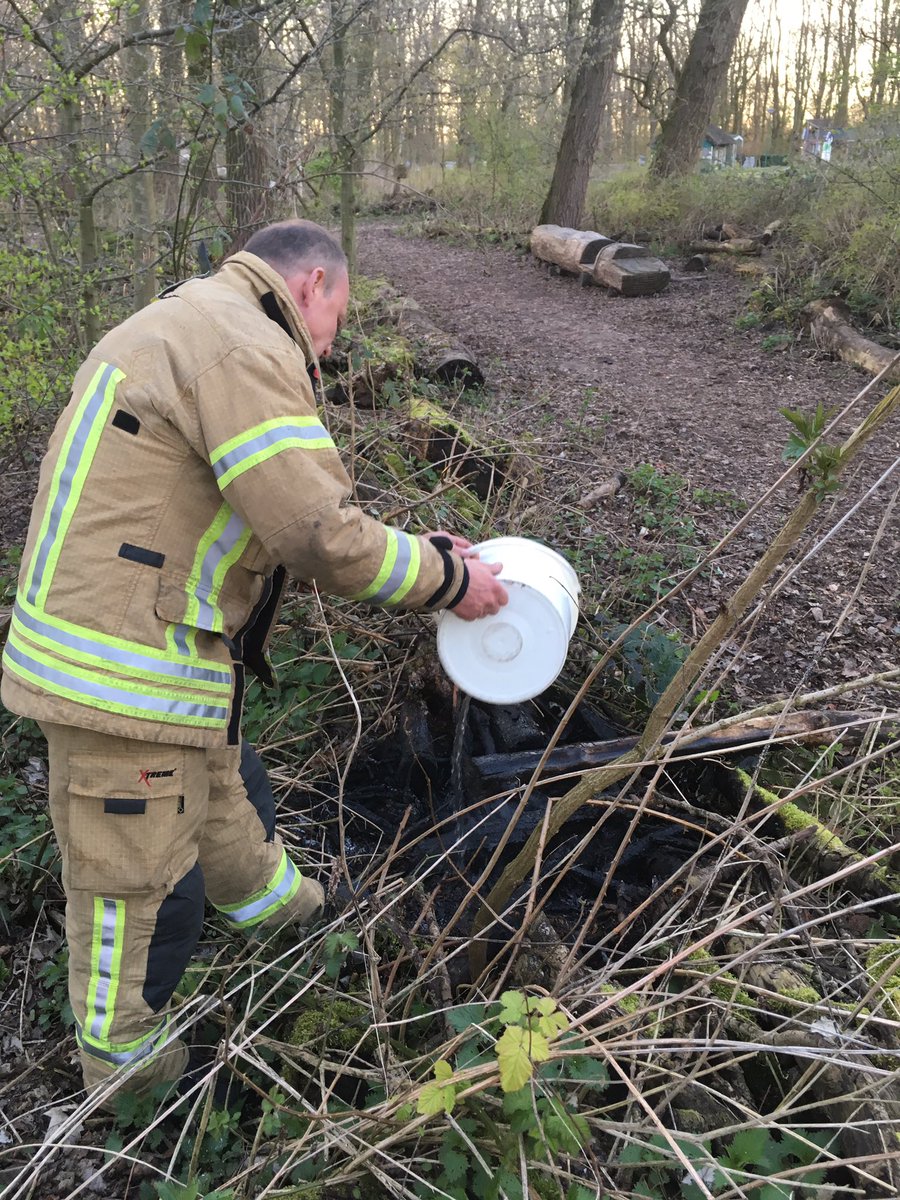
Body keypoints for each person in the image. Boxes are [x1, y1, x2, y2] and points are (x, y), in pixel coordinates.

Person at [0, 219, 508, 1106]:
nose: (329, 345)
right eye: (337, 319)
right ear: (311, 284)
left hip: (147, 653)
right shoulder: (242, 341)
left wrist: (420, 548)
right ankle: (135, 1093)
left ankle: (291, 921)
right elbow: (316, 534)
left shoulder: (191, 319)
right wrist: (450, 583)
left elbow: (267, 501)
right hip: (122, 674)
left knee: (225, 795)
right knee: (139, 894)